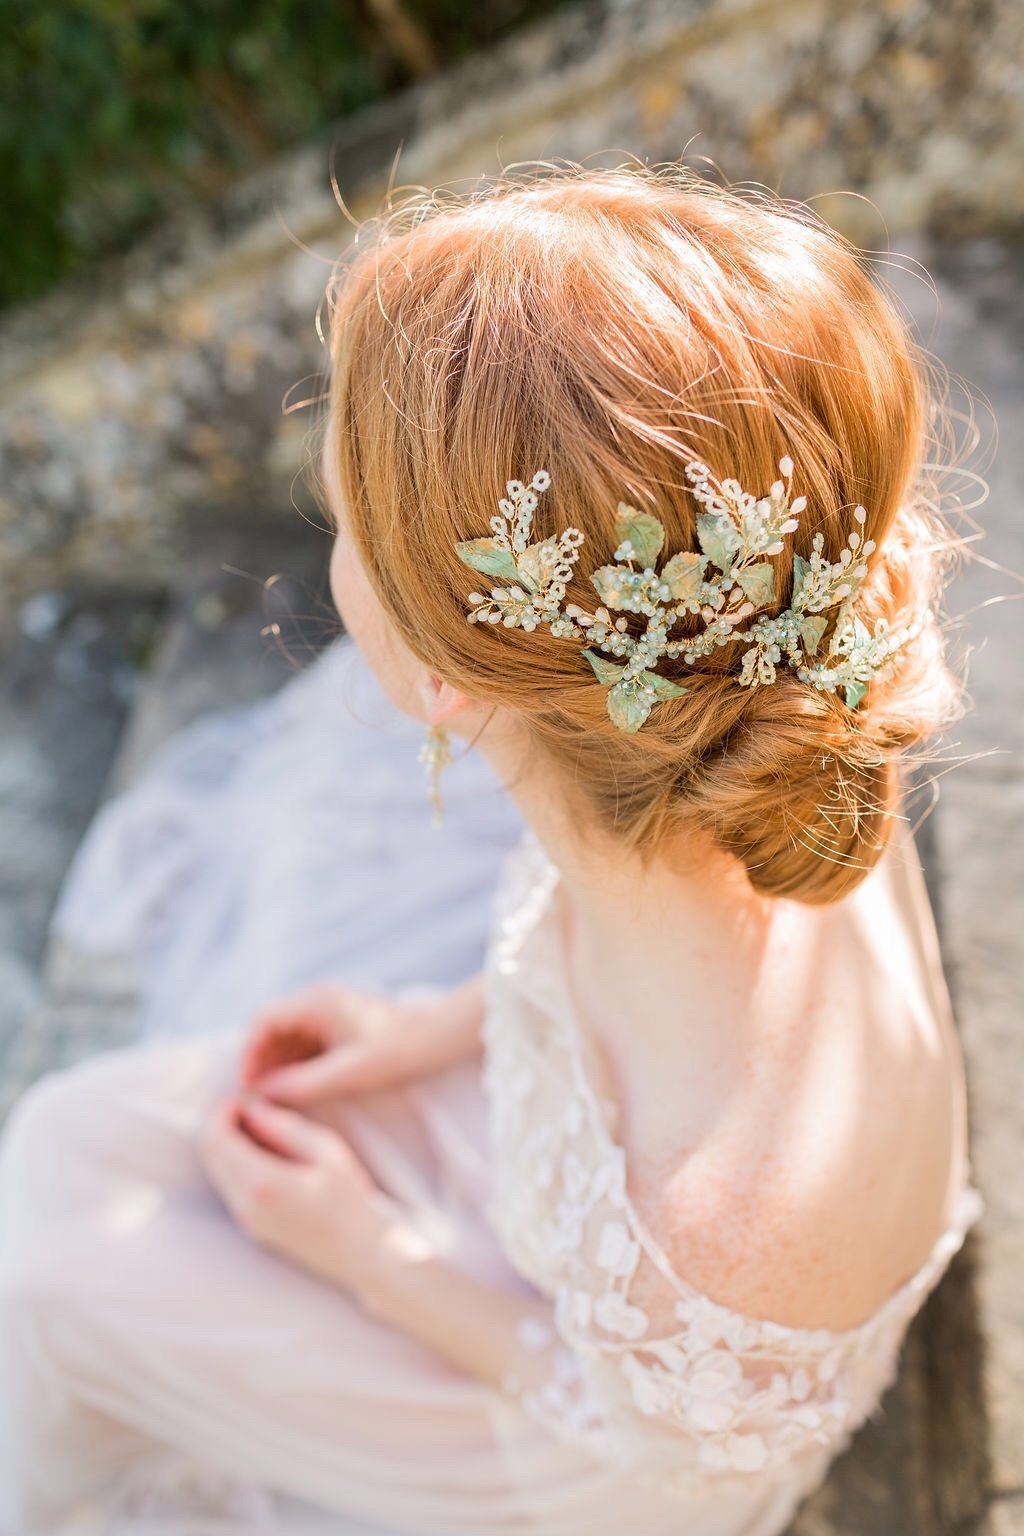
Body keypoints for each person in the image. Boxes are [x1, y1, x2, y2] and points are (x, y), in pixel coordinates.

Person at [0, 162, 985, 1536]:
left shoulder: (722, 1228)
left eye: (345, 526)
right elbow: (595, 964)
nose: (336, 554)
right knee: (67, 1140)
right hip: (592, 1169)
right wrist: (428, 1029)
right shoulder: (773, 711)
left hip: (594, 1432)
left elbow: (642, 1456)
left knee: (58, 1303)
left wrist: (368, 1252)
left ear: (458, 684)